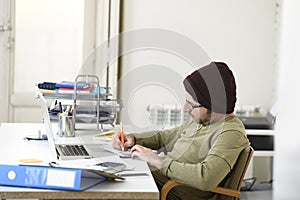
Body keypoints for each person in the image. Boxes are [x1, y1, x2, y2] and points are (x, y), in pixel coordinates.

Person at [111, 62, 250, 200]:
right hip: (159, 183)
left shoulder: (230, 133)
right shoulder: (201, 121)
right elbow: (163, 138)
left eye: (192, 104)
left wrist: (158, 161)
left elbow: (206, 177)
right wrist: (133, 139)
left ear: (214, 105)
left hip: (170, 192)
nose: (185, 108)